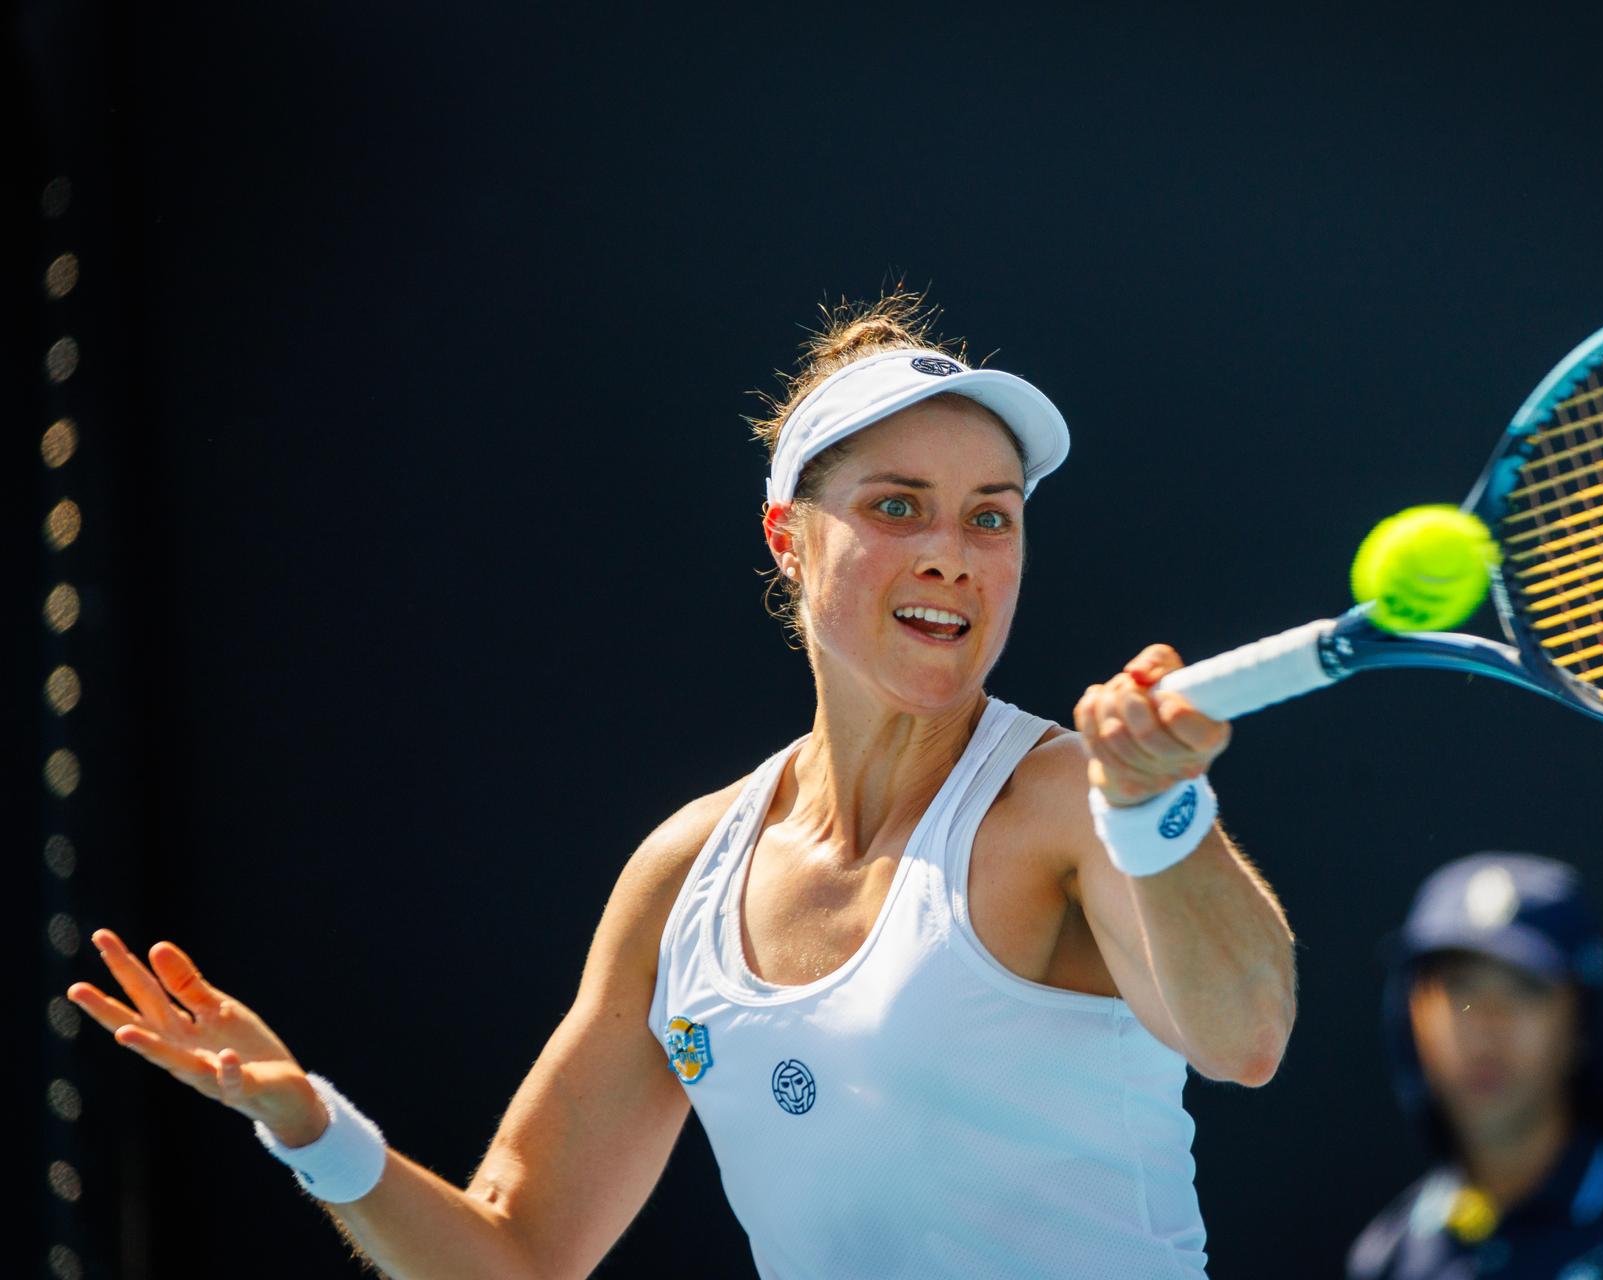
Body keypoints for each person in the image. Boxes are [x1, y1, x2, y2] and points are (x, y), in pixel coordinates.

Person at [69, 294, 1297, 1279]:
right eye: (897, 506)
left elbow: (1246, 1037)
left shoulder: (1074, 794)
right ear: (787, 536)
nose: (950, 553)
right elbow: (519, 1252)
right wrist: (313, 1129)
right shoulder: (683, 875)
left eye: (992, 516)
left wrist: (1159, 810)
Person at [1347, 852, 1603, 1279]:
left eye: (1524, 988)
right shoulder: (1388, 1258)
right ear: (1413, 1016)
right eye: (1459, 989)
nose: (1487, 1025)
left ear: (1580, 1021)